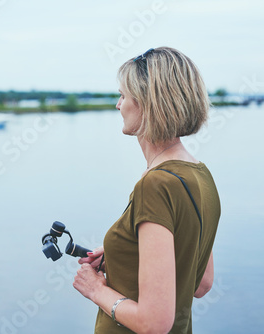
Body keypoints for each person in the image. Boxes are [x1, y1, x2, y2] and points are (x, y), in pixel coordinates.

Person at [73, 47, 221, 334]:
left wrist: (95, 291)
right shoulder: (201, 176)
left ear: (147, 103)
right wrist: (124, 254)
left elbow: (155, 324)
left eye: (123, 96)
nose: (119, 105)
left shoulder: (156, 185)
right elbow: (201, 283)